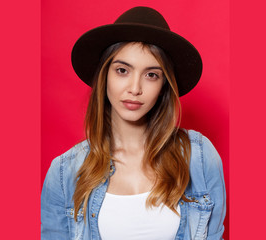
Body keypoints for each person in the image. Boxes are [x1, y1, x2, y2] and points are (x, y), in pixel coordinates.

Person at [41, 6, 226, 240]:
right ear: (104, 76)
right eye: (122, 70)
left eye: (151, 75)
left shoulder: (199, 156)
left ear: (163, 86)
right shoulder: (64, 173)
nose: (135, 88)